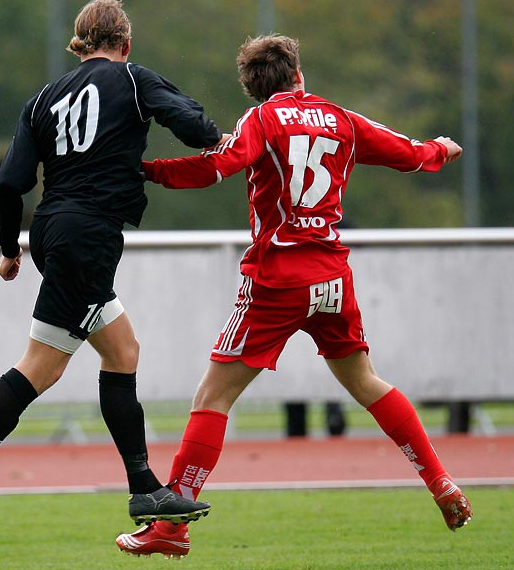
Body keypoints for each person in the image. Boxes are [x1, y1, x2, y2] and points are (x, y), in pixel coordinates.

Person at [116, 34, 472, 558]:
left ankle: (172, 525)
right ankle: (440, 480)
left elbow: (216, 167)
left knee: (212, 398)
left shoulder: (259, 120)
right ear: (298, 73)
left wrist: (145, 171)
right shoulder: (342, 118)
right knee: (366, 382)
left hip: (278, 278)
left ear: (252, 87)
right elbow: (407, 155)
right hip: (332, 279)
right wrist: (439, 149)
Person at [0, 0, 217, 544]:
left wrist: (10, 248)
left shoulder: (42, 99)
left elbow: (9, 184)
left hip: (54, 231)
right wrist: (217, 135)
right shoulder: (131, 79)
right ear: (125, 45)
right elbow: (194, 127)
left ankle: (144, 486)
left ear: (80, 44)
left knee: (123, 351)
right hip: (89, 236)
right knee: (41, 366)